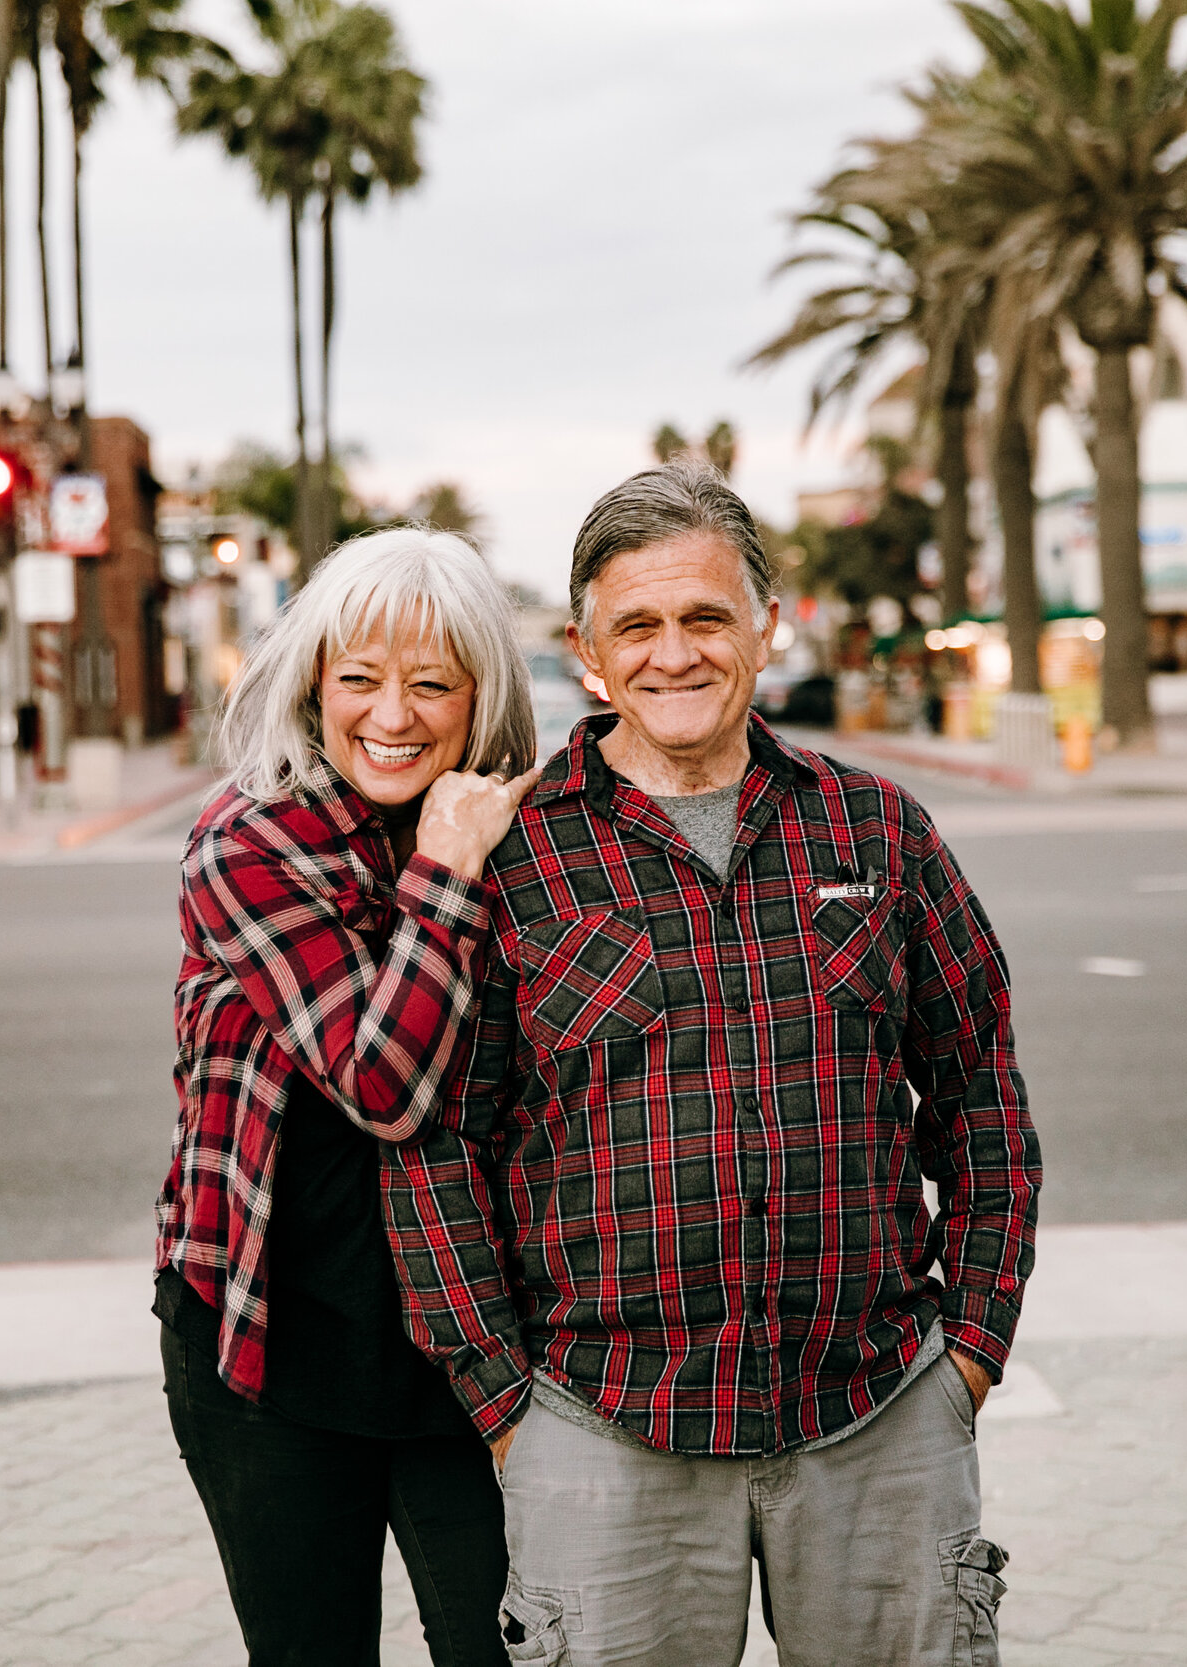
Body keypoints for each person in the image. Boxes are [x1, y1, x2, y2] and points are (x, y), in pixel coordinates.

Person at [385, 459, 1041, 1667]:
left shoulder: (877, 831)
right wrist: (502, 1404)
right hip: (602, 1427)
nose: (671, 653)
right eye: (635, 625)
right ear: (587, 651)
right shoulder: (514, 854)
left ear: (764, 626)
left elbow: (981, 1095)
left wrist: (973, 1353)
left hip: (878, 1416)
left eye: (704, 617)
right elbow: (432, 1141)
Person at [158, 526, 540, 1667]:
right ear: (314, 682)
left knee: (514, 1648)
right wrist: (448, 870)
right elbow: (383, 1082)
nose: (393, 713)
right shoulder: (249, 842)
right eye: (360, 678)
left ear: (481, 698)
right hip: (272, 1346)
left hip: (472, 1346)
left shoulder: (521, 837)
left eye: (432, 682)